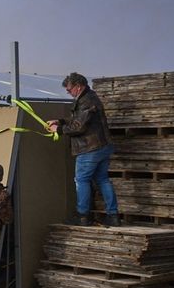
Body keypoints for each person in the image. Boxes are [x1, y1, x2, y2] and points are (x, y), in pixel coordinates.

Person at [46, 72, 120, 227]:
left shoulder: (87, 102)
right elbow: (78, 120)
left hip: (90, 148)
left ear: (78, 87)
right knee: (102, 179)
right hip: (102, 146)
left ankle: (82, 216)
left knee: (81, 180)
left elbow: (78, 126)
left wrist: (58, 129)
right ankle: (113, 216)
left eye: (69, 89)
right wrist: (59, 121)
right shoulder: (89, 98)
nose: (68, 92)